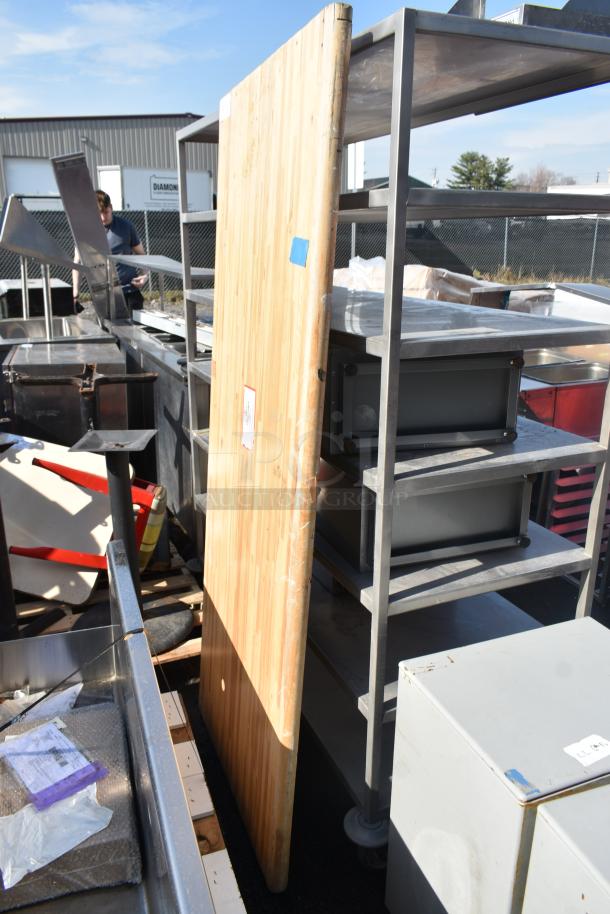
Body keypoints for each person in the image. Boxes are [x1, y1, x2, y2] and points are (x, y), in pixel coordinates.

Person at [72, 190, 148, 314]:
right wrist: (75, 292)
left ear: (111, 208)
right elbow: (78, 263)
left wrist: (145, 276)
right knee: (108, 332)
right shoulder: (84, 231)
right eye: (99, 214)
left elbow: (142, 255)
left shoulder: (126, 227)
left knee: (136, 332)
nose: (103, 217)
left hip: (129, 292)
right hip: (102, 295)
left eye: (106, 212)